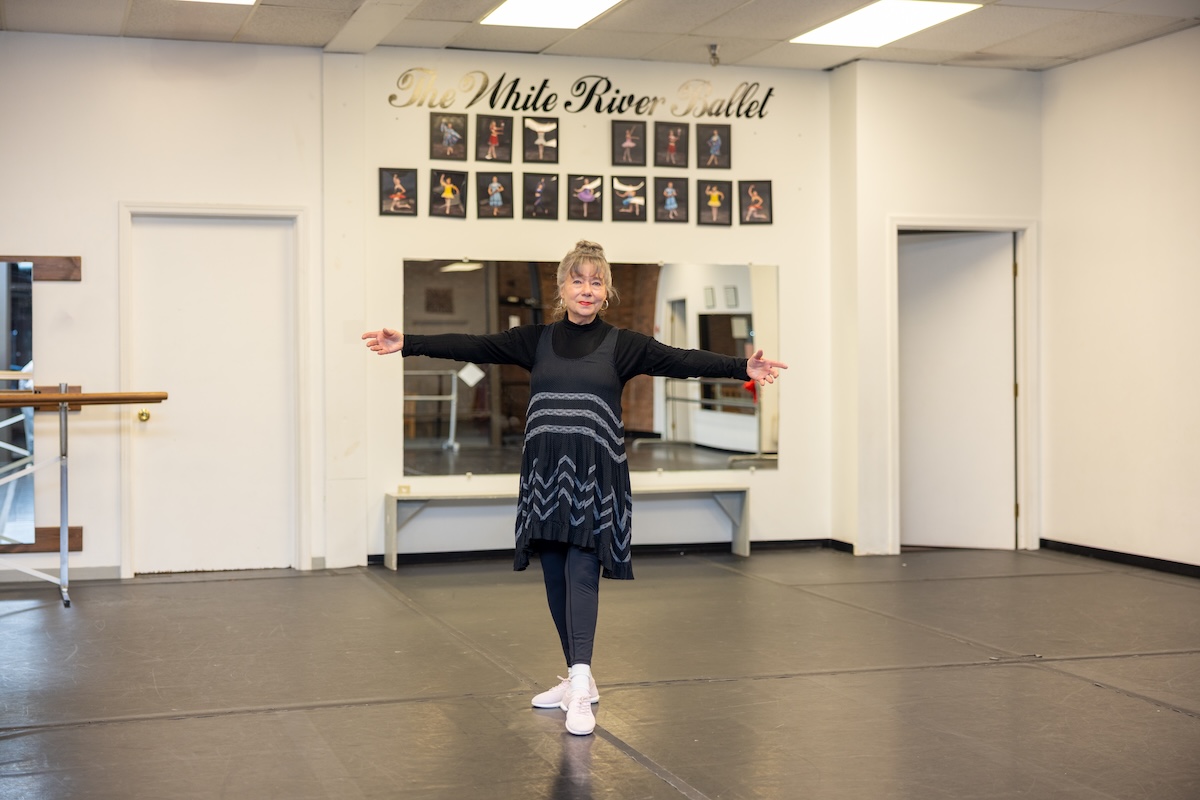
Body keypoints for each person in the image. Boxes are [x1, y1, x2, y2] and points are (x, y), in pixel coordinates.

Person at [362, 240, 787, 737]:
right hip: (544, 475)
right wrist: (408, 341)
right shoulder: (535, 340)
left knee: (583, 567)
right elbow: (473, 345)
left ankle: (581, 685)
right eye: (578, 280)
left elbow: (681, 358)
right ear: (561, 287)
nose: (587, 289)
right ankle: (576, 675)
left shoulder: (623, 344)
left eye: (597, 281)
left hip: (594, 477)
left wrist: (742, 368)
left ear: (606, 293)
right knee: (555, 574)